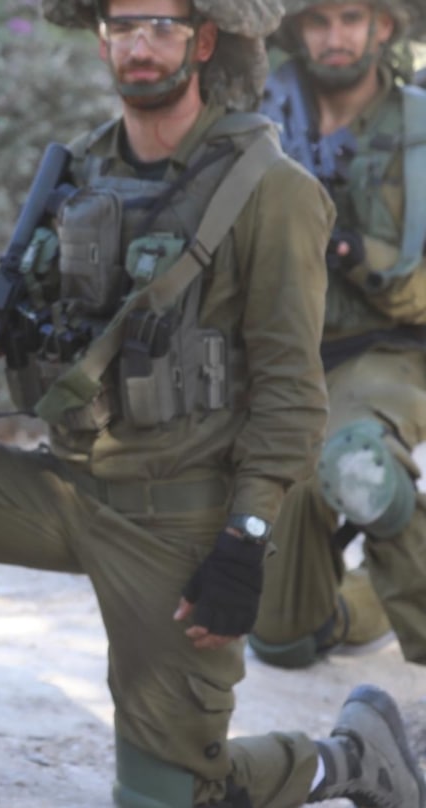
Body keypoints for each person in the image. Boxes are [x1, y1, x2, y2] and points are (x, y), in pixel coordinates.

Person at [0, 0, 426, 805]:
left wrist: (247, 537)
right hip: (61, 488)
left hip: (178, 529)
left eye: (161, 25)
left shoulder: (272, 190)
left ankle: (347, 758)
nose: (139, 44)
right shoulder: (82, 167)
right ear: (102, 40)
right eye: (122, 26)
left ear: (203, 41)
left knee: (167, 794)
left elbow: (292, 395)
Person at [247, 0, 426, 672]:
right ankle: (362, 603)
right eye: (318, 21)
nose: (336, 36)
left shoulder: (417, 129)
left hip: (390, 351)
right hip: (282, 363)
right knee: (284, 638)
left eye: (352, 17)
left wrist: (354, 252)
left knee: (359, 464)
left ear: (384, 26)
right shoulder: (258, 120)